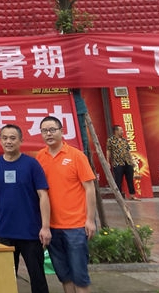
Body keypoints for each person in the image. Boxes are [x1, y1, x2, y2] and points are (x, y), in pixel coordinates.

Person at [0, 124, 51, 293]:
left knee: (37, 278)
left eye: (13, 138)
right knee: (5, 278)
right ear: (0, 141)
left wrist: (45, 227)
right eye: (5, 138)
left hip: (30, 232)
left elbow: (43, 195)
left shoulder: (32, 164)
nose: (8, 142)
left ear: (21, 140)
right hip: (5, 232)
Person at [36, 116, 96, 293]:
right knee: (64, 275)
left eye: (52, 130)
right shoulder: (40, 157)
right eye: (44, 131)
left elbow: (89, 188)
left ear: (62, 131)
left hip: (76, 226)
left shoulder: (76, 156)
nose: (49, 134)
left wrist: (90, 220)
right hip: (52, 227)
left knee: (80, 276)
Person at [106, 124, 138, 200]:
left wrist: (132, 160)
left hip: (127, 162)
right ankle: (119, 196)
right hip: (118, 163)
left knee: (130, 179)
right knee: (118, 180)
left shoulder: (124, 140)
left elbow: (128, 151)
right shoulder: (110, 140)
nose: (122, 132)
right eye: (121, 130)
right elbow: (108, 151)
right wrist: (107, 161)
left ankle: (132, 195)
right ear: (116, 131)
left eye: (122, 130)